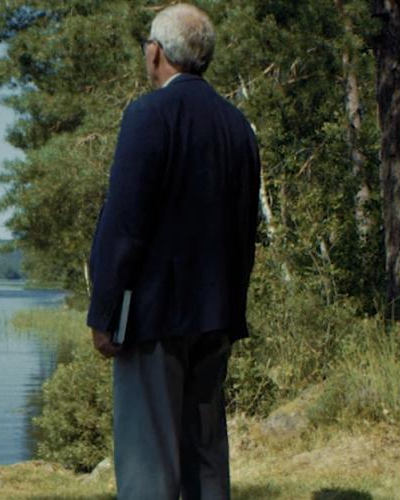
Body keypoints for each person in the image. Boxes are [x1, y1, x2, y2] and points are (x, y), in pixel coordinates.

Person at [85, 4, 260, 499]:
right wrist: (231, 311)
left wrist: (103, 312)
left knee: (149, 468)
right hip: (216, 315)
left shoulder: (148, 114)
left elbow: (125, 223)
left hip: (153, 318)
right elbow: (245, 230)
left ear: (156, 51)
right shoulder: (237, 126)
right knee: (205, 463)